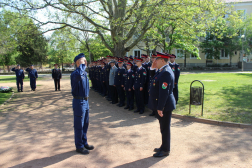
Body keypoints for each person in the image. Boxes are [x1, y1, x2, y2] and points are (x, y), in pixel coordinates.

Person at [148, 52, 176, 157]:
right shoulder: (162, 70)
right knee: (163, 127)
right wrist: (152, 67)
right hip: (162, 104)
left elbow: (164, 92)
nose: (154, 61)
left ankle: (165, 150)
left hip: (165, 105)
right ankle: (163, 146)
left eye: (156, 59)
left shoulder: (166, 72)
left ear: (162, 60)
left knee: (165, 128)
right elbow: (154, 80)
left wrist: (160, 107)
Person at [71, 53, 94, 155]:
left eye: (85, 61)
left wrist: (82, 66)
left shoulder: (84, 73)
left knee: (85, 124)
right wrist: (81, 65)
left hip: (85, 101)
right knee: (79, 125)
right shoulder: (76, 73)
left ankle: (84, 142)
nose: (85, 62)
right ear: (78, 62)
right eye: (83, 60)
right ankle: (79, 146)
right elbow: (78, 76)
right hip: (79, 101)